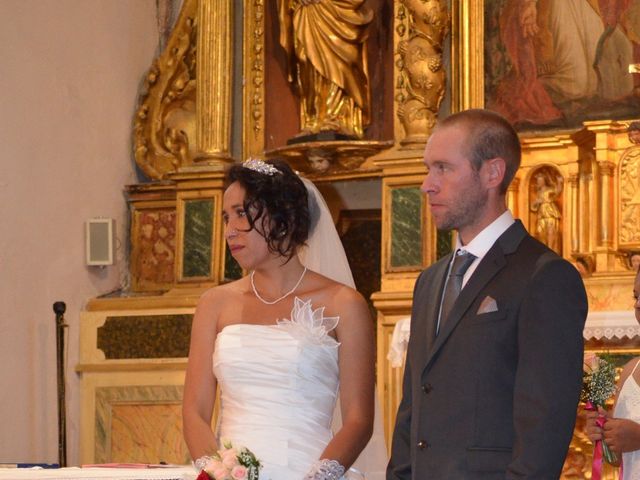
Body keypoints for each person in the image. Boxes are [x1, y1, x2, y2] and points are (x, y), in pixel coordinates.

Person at [387, 109, 588, 478]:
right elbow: (414, 405)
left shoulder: (544, 276)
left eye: (443, 168)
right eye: (428, 168)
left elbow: (545, 422)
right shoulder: (429, 282)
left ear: (492, 173)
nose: (427, 185)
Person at [182, 158, 386, 479]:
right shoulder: (214, 304)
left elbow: (358, 420)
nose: (229, 230)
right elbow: (194, 412)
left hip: (308, 470)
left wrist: (319, 476)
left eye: (240, 213)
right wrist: (215, 473)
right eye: (225, 217)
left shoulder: (344, 304)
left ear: (283, 218)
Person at [277, 0, 372, 138]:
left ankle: (335, 116)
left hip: (334, 10)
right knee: (306, 61)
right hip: (307, 10)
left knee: (336, 64)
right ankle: (315, 117)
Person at [585, 267, 640, 479]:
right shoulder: (630, 371)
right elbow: (617, 459)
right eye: (636, 296)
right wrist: (605, 434)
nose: (637, 304)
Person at [530, 171, 563, 254]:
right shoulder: (538, 193)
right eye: (538, 181)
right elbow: (533, 207)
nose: (539, 182)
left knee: (551, 236)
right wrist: (536, 203)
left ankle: (552, 253)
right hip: (541, 217)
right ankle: (543, 254)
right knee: (540, 234)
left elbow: (558, 191)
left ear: (544, 181)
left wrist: (559, 182)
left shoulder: (549, 190)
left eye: (540, 181)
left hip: (550, 215)